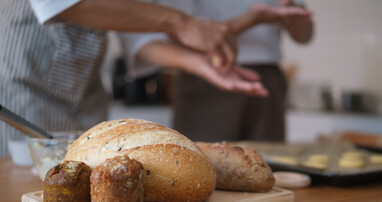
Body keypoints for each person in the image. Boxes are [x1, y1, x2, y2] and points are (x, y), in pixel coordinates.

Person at [0, 0, 238, 157]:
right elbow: (57, 4)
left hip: (87, 95)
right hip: (24, 85)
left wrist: (198, 64)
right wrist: (182, 22)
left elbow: (137, 38)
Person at [119, 0, 314, 142]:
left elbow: (305, 34)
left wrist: (289, 9)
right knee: (208, 170)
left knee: (270, 168)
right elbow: (182, 33)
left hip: (268, 79)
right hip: (205, 79)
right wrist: (250, 19)